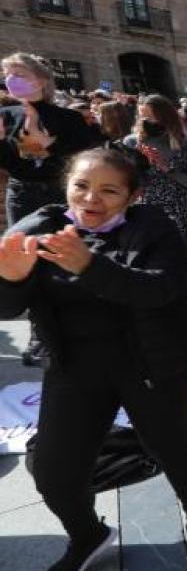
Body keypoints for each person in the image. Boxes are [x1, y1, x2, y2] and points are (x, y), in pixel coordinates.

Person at [0, 147, 187, 571]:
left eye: (108, 190)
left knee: (171, 446)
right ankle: (87, 535)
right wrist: (13, 278)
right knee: (54, 470)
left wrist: (88, 265)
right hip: (75, 366)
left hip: (152, 362)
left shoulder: (155, 228)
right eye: (81, 186)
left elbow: (157, 290)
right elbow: (8, 305)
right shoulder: (40, 227)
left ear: (132, 196)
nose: (90, 199)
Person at [0, 53, 104, 364]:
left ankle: (75, 329)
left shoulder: (68, 119)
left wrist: (50, 146)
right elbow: (9, 164)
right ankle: (40, 337)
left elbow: (87, 162)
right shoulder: (6, 117)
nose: (11, 79)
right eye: (7, 73)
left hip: (58, 194)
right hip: (22, 193)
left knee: (63, 259)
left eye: (19, 73)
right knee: (26, 261)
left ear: (41, 80)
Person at [124, 94, 187, 317]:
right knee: (157, 264)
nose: (147, 122)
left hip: (183, 211)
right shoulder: (132, 143)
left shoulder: (185, 145)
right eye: (142, 117)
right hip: (149, 210)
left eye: (151, 117)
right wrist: (139, 165)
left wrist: (167, 168)